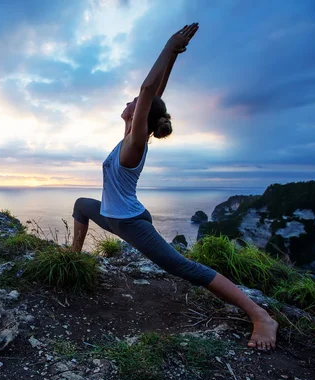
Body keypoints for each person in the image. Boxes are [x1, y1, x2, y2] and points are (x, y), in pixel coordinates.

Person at [71, 23, 278, 350]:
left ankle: (260, 316)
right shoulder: (128, 136)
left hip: (131, 223)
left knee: (184, 268)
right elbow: (155, 96)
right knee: (81, 205)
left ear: (141, 114)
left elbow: (150, 90)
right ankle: (73, 257)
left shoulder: (135, 145)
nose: (132, 100)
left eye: (137, 101)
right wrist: (174, 57)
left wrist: (168, 45)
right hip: (113, 216)